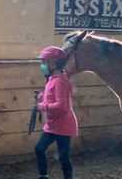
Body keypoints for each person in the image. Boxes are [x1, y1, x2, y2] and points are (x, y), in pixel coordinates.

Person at [35, 46, 78, 179]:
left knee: (63, 157)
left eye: (44, 62)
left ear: (52, 63)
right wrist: (42, 96)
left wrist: (42, 106)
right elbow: (53, 97)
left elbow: (62, 106)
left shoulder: (60, 81)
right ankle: (43, 176)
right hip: (53, 125)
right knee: (39, 148)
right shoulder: (52, 79)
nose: (42, 65)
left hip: (63, 126)